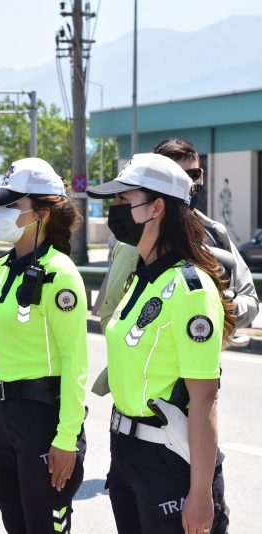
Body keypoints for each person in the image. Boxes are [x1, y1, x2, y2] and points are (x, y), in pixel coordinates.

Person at [87, 153, 231, 534]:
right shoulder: (142, 277)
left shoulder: (190, 289)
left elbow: (204, 397)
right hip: (127, 453)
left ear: (157, 208)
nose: (114, 210)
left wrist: (200, 492)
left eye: (123, 200)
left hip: (169, 460)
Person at [0, 158, 88, 534]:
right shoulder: (6, 266)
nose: (0, 214)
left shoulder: (60, 273)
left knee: (44, 523)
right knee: (14, 519)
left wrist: (67, 437)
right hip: (5, 414)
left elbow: (75, 361)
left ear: (42, 213)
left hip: (43, 418)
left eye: (12, 205)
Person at [99, 138, 257, 338]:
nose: (187, 182)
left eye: (193, 174)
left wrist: (211, 309)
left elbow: (249, 299)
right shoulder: (134, 240)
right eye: (176, 174)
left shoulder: (214, 232)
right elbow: (111, 316)